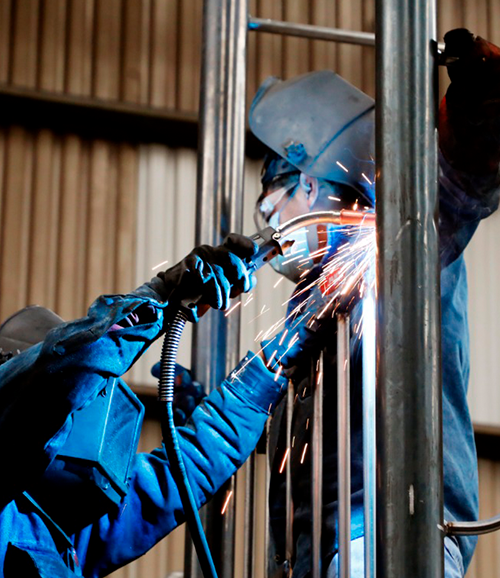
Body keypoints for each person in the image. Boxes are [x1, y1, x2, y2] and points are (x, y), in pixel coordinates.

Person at [247, 29, 500, 578]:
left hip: (384, 541)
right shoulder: (315, 299)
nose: (266, 218)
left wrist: (472, 116)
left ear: (310, 183)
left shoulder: (389, 244)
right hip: (323, 553)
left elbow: (452, 190)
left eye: (272, 195)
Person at [0, 234, 288, 577]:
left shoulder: (65, 532)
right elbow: (58, 372)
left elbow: (181, 475)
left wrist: (265, 373)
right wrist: (163, 295)